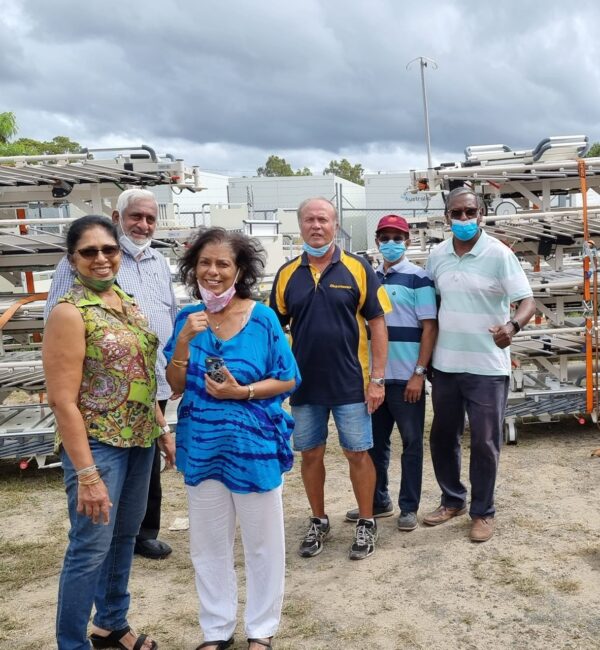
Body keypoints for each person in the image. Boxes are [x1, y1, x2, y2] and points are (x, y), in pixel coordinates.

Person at [43, 215, 176, 650]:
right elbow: (63, 400)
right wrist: (86, 474)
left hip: (138, 440)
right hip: (99, 444)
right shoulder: (69, 312)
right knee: (89, 548)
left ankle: (111, 626)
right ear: (72, 259)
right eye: (89, 252)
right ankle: (72, 643)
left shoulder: (126, 300)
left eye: (109, 250)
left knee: (124, 537)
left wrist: (161, 427)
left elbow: (139, 374)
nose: (101, 258)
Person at [164, 227, 300, 650]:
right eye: (205, 262)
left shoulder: (262, 318)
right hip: (203, 446)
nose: (213, 271)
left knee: (263, 544)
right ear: (193, 269)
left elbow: (289, 378)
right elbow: (174, 384)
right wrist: (184, 342)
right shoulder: (187, 319)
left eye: (223, 263)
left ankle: (261, 630)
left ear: (239, 270)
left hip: (253, 446)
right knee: (208, 545)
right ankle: (216, 631)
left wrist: (242, 392)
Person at [270, 197, 391, 561]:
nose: (316, 226)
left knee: (358, 452)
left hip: (352, 384)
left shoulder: (358, 268)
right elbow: (274, 329)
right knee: (311, 453)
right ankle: (318, 519)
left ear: (335, 225)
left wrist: (378, 380)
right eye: (309, 220)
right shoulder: (287, 274)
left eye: (323, 219)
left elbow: (378, 325)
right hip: (305, 387)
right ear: (300, 225)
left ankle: (367, 521)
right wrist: (278, 379)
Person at [423, 187, 535, 542]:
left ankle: (483, 511)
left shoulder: (499, 254)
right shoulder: (436, 256)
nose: (464, 219)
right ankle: (452, 499)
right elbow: (430, 310)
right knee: (442, 437)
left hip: (487, 367)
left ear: (481, 215)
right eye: (457, 214)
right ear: (446, 218)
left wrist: (512, 326)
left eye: (470, 212)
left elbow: (527, 301)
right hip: (446, 365)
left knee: (485, 441)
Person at [344, 214, 437, 531]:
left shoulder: (418, 278)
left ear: (408, 242)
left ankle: (408, 507)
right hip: (376, 380)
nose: (392, 243)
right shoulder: (369, 278)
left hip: (407, 378)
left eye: (398, 238)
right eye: (385, 237)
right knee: (373, 444)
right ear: (377, 242)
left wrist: (418, 373)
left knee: (411, 443)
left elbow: (429, 328)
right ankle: (378, 500)